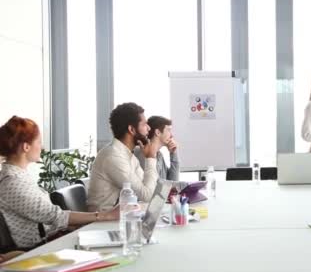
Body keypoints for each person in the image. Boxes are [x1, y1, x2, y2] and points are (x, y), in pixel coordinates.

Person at [0, 116, 119, 249]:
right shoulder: (12, 183)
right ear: (26, 147)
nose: (42, 146)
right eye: (39, 142)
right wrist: (106, 215)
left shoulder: (18, 176)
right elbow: (55, 216)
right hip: (41, 247)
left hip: (52, 239)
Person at [87, 103, 160, 212]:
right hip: (102, 222)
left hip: (122, 216)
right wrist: (150, 158)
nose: (149, 128)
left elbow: (149, 189)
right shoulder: (113, 156)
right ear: (131, 129)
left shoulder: (127, 155)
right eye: (144, 124)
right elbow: (147, 195)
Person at [134, 116, 180, 181]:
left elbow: (173, 183)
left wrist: (173, 153)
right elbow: (154, 187)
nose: (172, 135)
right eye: (169, 130)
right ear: (158, 132)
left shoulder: (159, 155)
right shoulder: (142, 152)